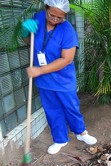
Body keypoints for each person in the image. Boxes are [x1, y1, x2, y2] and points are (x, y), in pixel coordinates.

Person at [20, 0, 97, 155]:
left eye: (60, 17)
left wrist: (40, 70)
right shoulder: (38, 17)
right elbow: (30, 41)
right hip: (45, 81)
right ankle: (60, 139)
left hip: (63, 79)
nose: (55, 19)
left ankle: (81, 133)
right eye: (52, 15)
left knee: (71, 107)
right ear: (46, 9)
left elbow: (67, 59)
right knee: (52, 110)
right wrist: (25, 32)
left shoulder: (67, 30)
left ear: (65, 16)